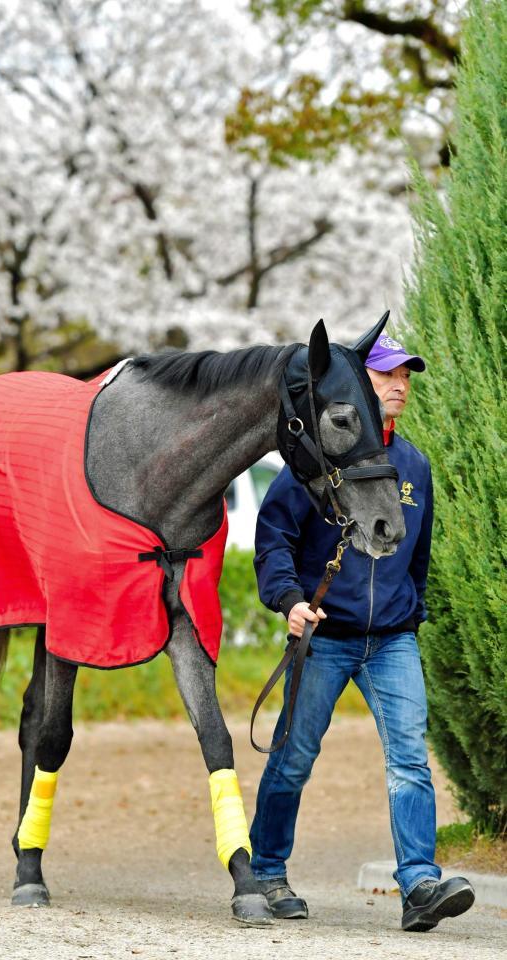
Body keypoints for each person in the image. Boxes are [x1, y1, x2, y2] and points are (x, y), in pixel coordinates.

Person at [249, 332, 475, 932]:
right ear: (359, 385)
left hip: (393, 640)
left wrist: (411, 612)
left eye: (406, 376)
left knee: (410, 763)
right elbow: (273, 539)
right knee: (293, 758)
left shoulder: (416, 467)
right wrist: (289, 601)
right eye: (386, 375)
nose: (399, 385)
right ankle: (267, 870)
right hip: (324, 636)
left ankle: (419, 884)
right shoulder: (319, 456)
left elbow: (417, 557)